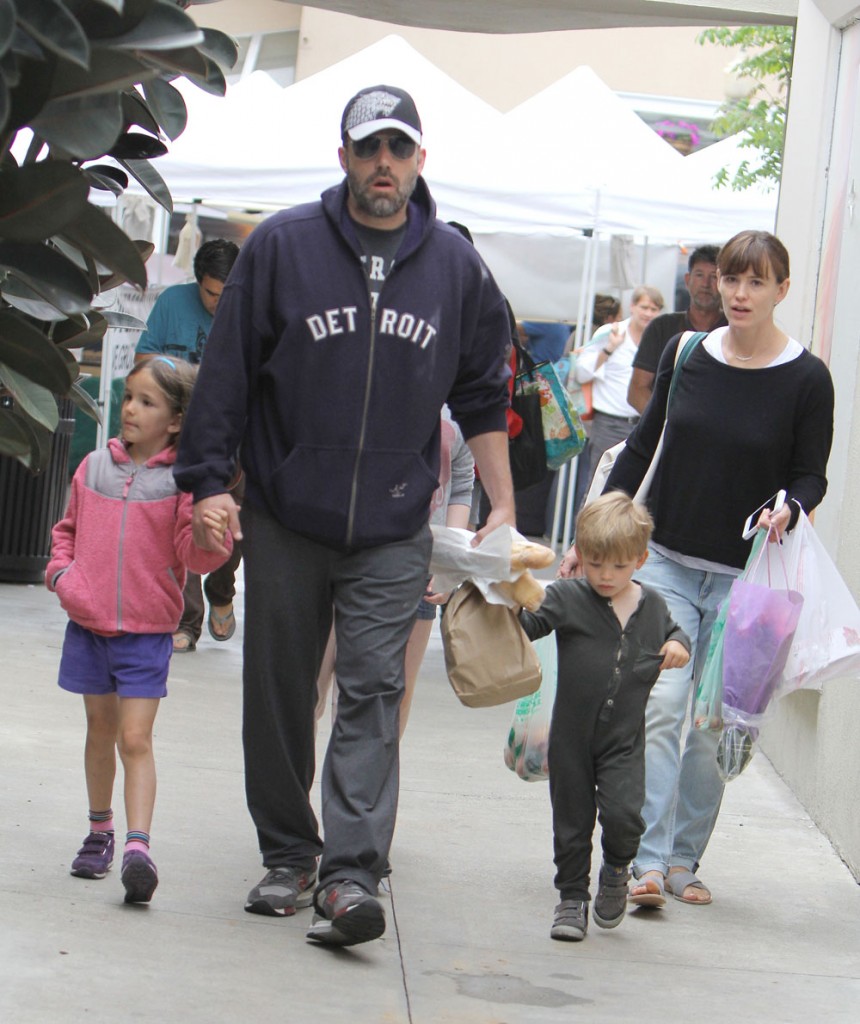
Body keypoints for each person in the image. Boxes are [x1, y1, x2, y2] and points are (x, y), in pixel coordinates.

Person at [173, 84, 515, 947]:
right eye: (369, 149)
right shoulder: (284, 246)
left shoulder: (455, 268)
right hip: (288, 512)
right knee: (281, 689)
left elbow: (483, 391)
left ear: (421, 162)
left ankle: (352, 874)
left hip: (396, 523)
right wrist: (208, 480)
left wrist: (502, 495)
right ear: (344, 159)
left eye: (399, 150)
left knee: (373, 687)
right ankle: (290, 853)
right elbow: (226, 374)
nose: (384, 165)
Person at [561, 230, 834, 908]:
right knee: (659, 707)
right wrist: (593, 531)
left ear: (781, 290)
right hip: (668, 565)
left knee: (713, 729)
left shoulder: (806, 378)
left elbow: (810, 475)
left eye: (756, 283)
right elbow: (641, 447)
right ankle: (646, 863)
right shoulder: (689, 355)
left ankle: (685, 859)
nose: (738, 294)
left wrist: (790, 509)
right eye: (732, 280)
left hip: (749, 583)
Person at [45, 357, 232, 904]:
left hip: (147, 632)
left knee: (135, 738)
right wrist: (62, 575)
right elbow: (66, 530)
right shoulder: (94, 467)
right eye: (128, 397)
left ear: (175, 420)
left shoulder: (182, 482)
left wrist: (209, 532)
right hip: (89, 625)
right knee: (100, 731)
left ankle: (137, 849)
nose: (130, 409)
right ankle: (99, 831)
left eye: (146, 402)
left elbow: (193, 559)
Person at [519, 492, 690, 941]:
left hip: (623, 741)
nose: (606, 576)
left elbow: (675, 633)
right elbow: (526, 625)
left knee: (625, 815)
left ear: (640, 558)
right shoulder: (568, 597)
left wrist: (676, 646)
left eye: (617, 566)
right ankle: (572, 898)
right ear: (581, 553)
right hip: (571, 739)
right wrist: (507, 599)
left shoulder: (651, 606)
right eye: (595, 564)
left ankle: (617, 868)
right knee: (571, 822)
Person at [136, 239, 242, 654]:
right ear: (198, 282)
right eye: (211, 293)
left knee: (233, 520)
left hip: (237, 432)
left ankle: (223, 588)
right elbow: (145, 358)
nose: (218, 302)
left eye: (225, 293)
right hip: (182, 430)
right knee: (182, 520)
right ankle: (187, 620)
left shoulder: (249, 308)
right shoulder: (173, 303)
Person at [572, 286, 664, 506]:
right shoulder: (610, 332)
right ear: (632, 306)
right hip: (608, 424)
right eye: (644, 307)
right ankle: (583, 540)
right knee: (597, 491)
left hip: (643, 424)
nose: (648, 313)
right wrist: (609, 350)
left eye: (654, 309)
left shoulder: (660, 337)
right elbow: (581, 373)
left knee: (632, 495)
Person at [627, 245, 725, 413]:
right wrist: (665, 424)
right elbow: (637, 391)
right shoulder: (662, 327)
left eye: (714, 277)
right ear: (687, 280)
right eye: (699, 275)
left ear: (724, 283)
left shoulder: (734, 330)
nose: (706, 284)